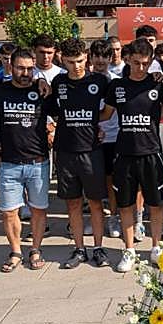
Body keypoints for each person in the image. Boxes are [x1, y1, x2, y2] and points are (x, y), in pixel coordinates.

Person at [103, 38, 163, 272]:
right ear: (128, 59)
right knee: (126, 205)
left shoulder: (157, 83)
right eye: (136, 63)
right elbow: (105, 114)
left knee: (157, 204)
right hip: (125, 153)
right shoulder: (117, 86)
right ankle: (129, 250)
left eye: (145, 63)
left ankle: (156, 247)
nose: (140, 68)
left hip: (151, 152)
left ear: (151, 62)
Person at [0, 48, 51, 272]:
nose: (25, 73)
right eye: (20, 68)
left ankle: (35, 249)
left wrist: (53, 130)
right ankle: (15, 251)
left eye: (30, 69)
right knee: (9, 211)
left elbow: (61, 116)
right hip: (10, 163)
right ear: (10, 67)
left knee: (38, 210)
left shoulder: (42, 91)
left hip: (38, 162)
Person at [47, 37, 111, 269]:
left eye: (81, 60)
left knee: (95, 203)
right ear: (63, 60)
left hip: (91, 151)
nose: (77, 66)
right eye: (72, 62)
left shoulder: (99, 81)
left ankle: (98, 248)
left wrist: (95, 124)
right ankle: (79, 249)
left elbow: (108, 112)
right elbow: (52, 110)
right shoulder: (58, 82)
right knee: (73, 204)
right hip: (65, 151)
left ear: (87, 58)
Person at [89, 39, 122, 238]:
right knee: (92, 184)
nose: (100, 60)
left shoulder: (115, 82)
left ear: (111, 58)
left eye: (105, 56)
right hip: (89, 139)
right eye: (97, 56)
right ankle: (96, 219)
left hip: (113, 137)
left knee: (111, 182)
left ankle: (113, 219)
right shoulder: (84, 81)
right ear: (90, 58)